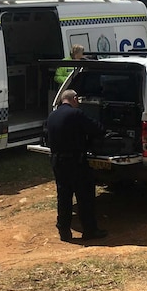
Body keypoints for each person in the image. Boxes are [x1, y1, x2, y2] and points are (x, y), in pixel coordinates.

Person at [45, 89, 108, 241]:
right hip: (76, 161)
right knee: (85, 197)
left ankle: (64, 232)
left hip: (57, 161)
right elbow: (97, 129)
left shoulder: (52, 116)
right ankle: (90, 230)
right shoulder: (76, 114)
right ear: (74, 99)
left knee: (64, 197)